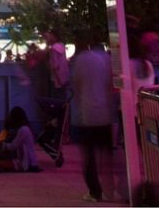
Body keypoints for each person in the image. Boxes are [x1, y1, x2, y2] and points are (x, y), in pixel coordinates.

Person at [70, 30, 115, 204]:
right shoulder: (106, 58)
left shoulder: (81, 60)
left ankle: (95, 191)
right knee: (106, 154)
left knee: (89, 157)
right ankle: (110, 189)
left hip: (87, 114)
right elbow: (110, 84)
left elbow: (76, 85)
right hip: (104, 112)